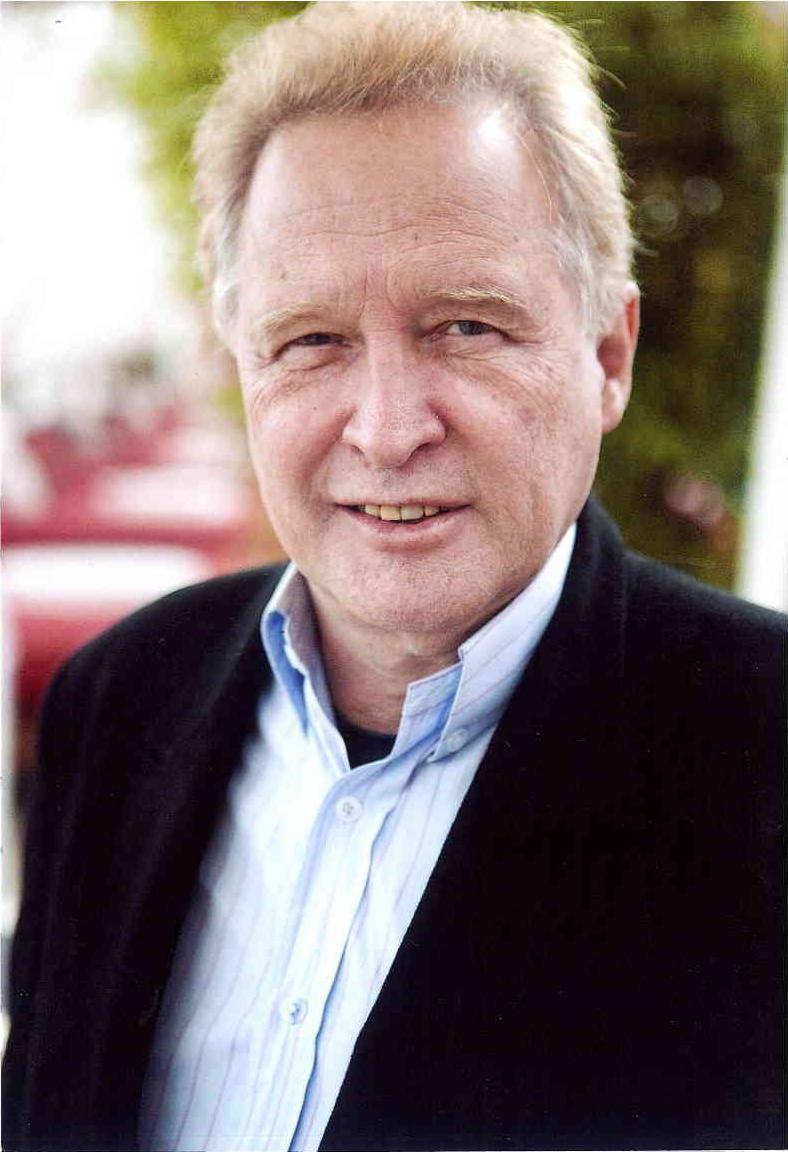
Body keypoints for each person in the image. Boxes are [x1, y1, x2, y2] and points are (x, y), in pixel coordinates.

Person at [3, 4, 785, 1150]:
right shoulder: (114, 702)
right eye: (310, 340)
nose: (384, 429)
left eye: (464, 326)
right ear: (243, 367)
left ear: (605, 356)